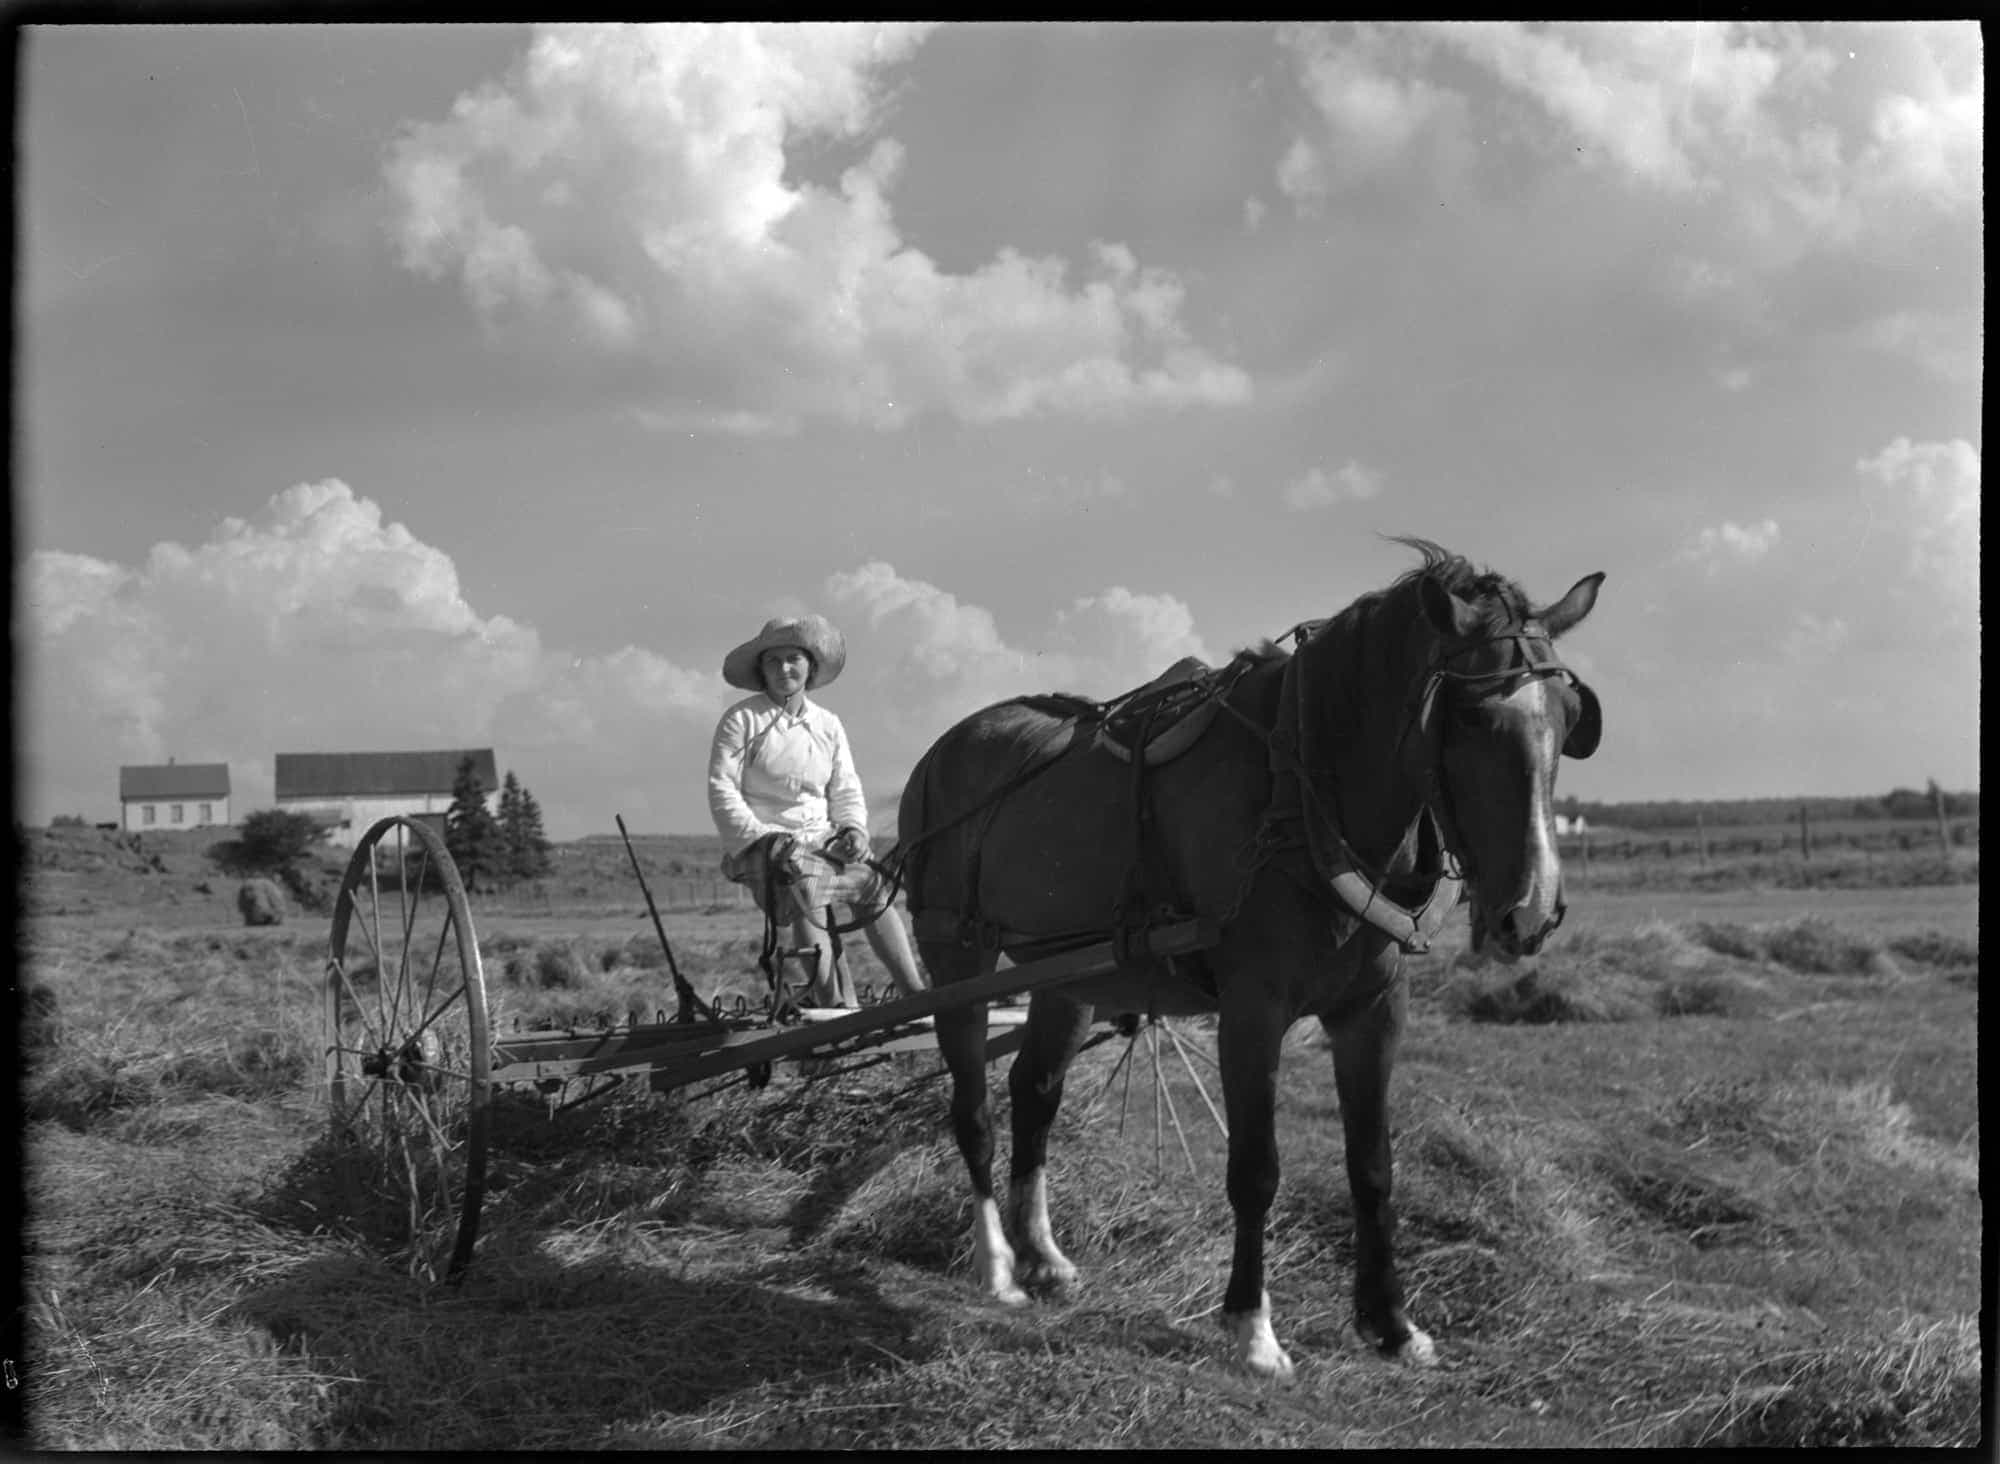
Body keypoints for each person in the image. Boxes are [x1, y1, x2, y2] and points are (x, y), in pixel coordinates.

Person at [707, 614, 928, 1008]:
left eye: (793, 659)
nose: (784, 669)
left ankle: (915, 994)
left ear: (809, 667)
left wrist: (854, 830)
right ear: (761, 670)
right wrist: (766, 840)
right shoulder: (741, 720)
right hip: (763, 846)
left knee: (874, 887)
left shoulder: (828, 724)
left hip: (822, 841)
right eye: (773, 661)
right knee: (806, 885)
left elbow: (845, 787)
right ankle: (833, 1003)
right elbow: (722, 788)